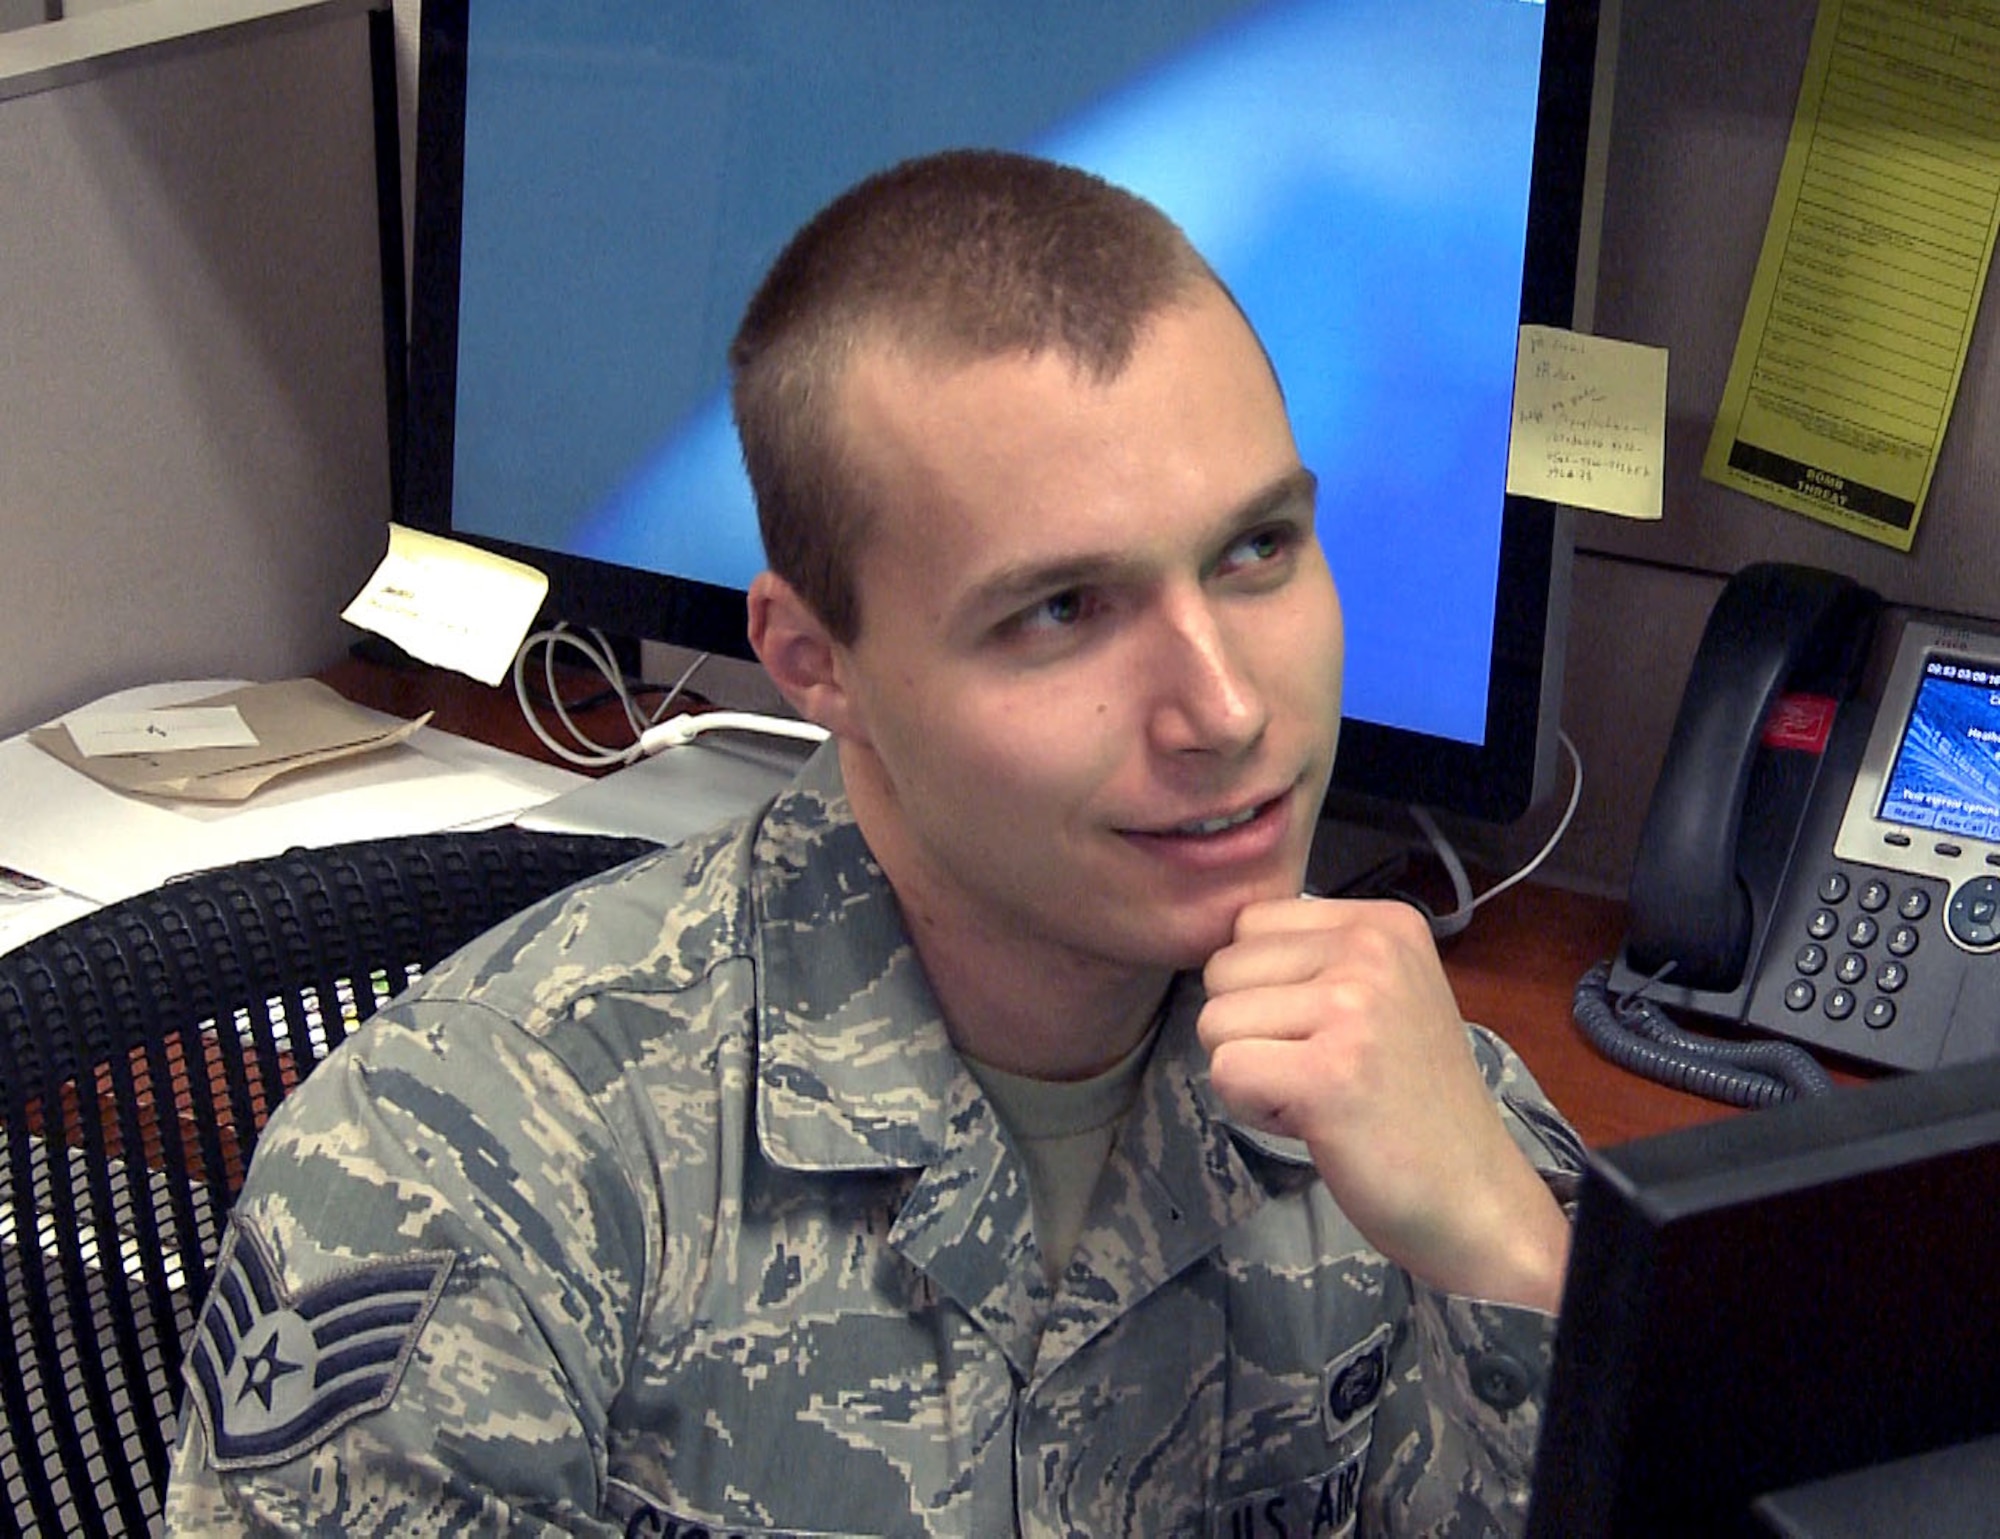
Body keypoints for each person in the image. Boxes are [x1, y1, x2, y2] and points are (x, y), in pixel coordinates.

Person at [166, 149, 1582, 1537]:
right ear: (811, 658)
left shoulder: (1412, 1098)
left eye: (1256, 551)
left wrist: (1520, 1267)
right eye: (1062, 612)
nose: (1224, 708)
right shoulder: (475, 1171)